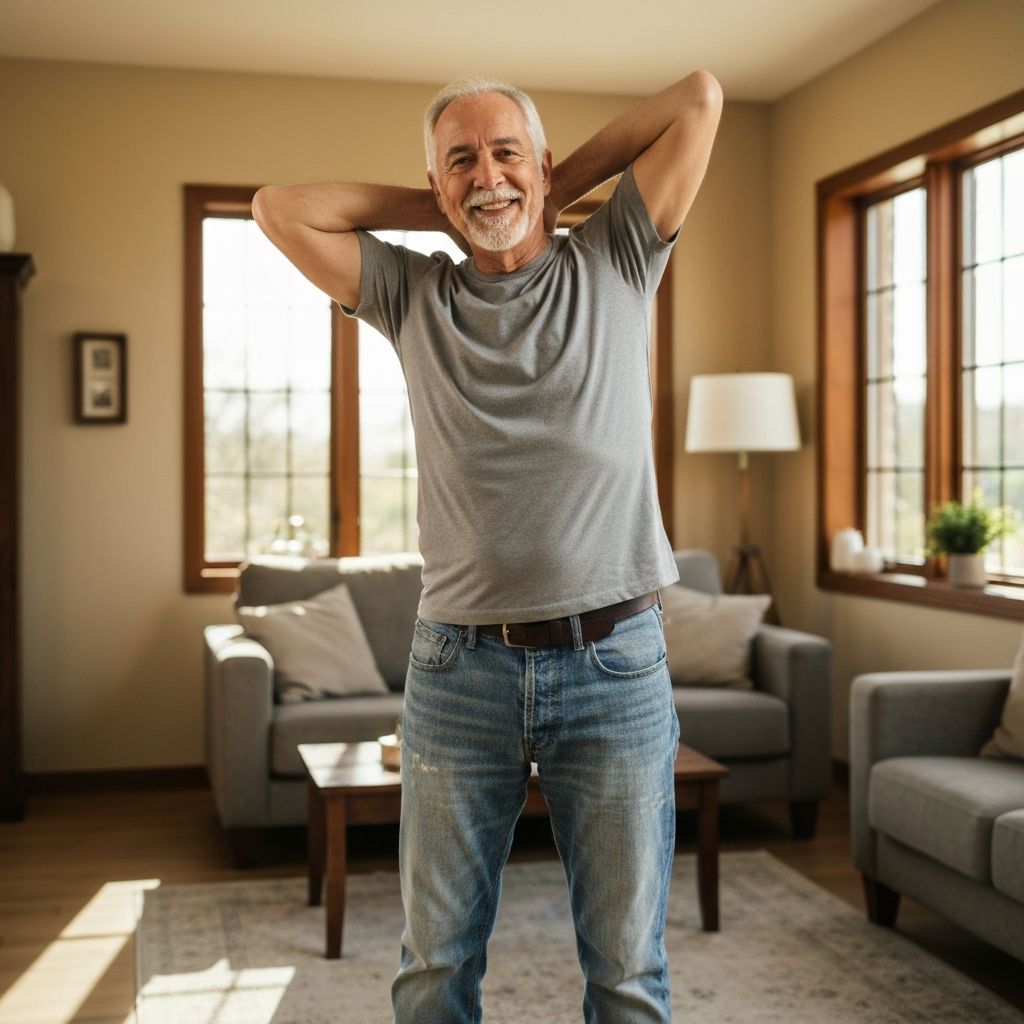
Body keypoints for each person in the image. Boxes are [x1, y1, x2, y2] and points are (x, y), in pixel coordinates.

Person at [253, 69, 722, 1024]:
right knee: (435, 964)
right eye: (460, 161)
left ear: (543, 165)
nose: (486, 175)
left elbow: (700, 98)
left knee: (628, 972)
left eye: (507, 153)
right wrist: (451, 204)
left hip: (616, 665)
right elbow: (277, 208)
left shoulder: (618, 255)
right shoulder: (411, 293)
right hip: (459, 671)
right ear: (436, 184)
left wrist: (540, 184)